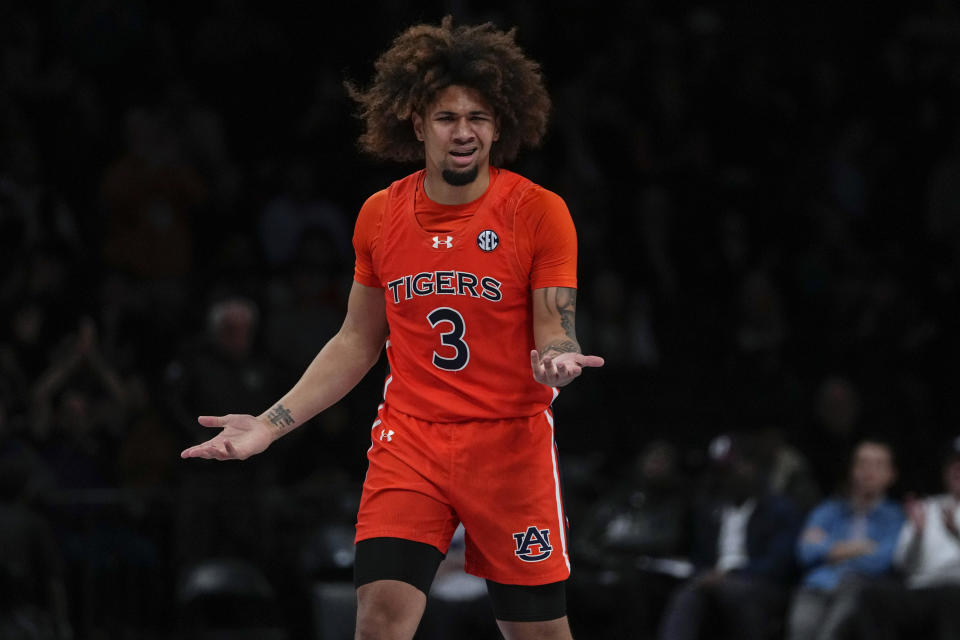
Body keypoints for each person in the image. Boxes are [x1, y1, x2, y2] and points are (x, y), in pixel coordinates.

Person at [180, 16, 603, 640]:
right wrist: (269, 426)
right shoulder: (380, 215)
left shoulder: (538, 211)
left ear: (500, 125)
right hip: (411, 444)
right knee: (378, 619)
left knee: (537, 634)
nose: (464, 132)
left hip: (508, 446)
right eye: (447, 117)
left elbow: (554, 324)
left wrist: (557, 358)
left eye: (478, 118)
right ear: (415, 122)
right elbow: (355, 341)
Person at [657, 433, 801, 640]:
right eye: (721, 471)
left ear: (752, 466)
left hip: (759, 583)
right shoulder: (710, 509)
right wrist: (704, 574)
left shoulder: (779, 509)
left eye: (733, 467)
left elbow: (780, 562)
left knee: (735, 593)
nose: (728, 476)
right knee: (687, 595)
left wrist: (731, 575)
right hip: (715, 581)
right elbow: (699, 555)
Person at [785, 438, 904, 640]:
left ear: (891, 475)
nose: (868, 471)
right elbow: (805, 552)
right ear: (852, 470)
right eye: (862, 463)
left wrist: (830, 549)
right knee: (800, 631)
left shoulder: (897, 517)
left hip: (862, 588)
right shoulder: (828, 510)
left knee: (830, 634)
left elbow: (883, 561)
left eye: (877, 465)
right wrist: (862, 547)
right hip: (818, 584)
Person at [854, 436, 960, 639]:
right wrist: (918, 535)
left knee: (952, 597)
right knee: (871, 595)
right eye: (953, 464)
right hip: (921, 588)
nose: (957, 470)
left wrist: (956, 533)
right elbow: (903, 564)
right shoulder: (926, 508)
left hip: (955, 590)